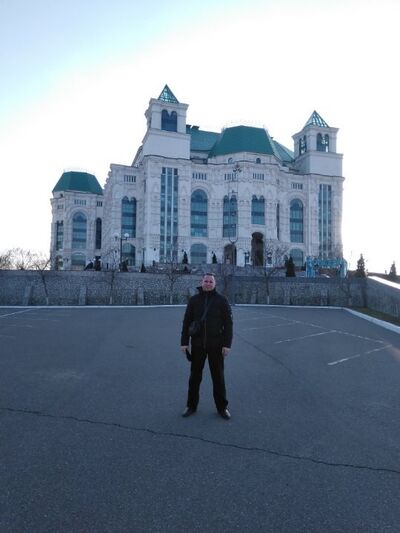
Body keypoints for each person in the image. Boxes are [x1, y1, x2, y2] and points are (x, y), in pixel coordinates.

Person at [180, 273, 233, 420]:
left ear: (215, 284)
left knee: (218, 378)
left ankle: (222, 408)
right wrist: (184, 342)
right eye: (206, 281)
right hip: (198, 345)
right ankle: (191, 406)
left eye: (211, 281)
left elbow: (228, 324)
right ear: (201, 282)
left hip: (217, 345)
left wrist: (227, 345)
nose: (208, 283)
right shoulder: (194, 300)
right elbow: (186, 322)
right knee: (194, 378)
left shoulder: (222, 301)